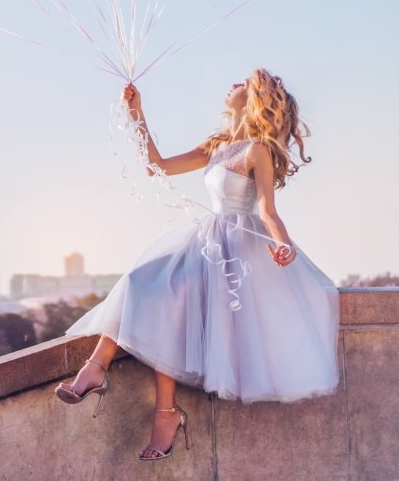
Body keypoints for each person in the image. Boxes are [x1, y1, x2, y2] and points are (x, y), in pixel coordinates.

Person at [54, 69, 339, 461]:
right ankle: (100, 370)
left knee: (173, 303)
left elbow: (267, 210)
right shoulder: (217, 144)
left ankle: (160, 411)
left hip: (235, 250)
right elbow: (157, 165)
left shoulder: (257, 150)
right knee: (140, 282)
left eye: (244, 83)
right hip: (206, 239)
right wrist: (138, 114)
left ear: (256, 98)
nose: (234, 84)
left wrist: (282, 244)